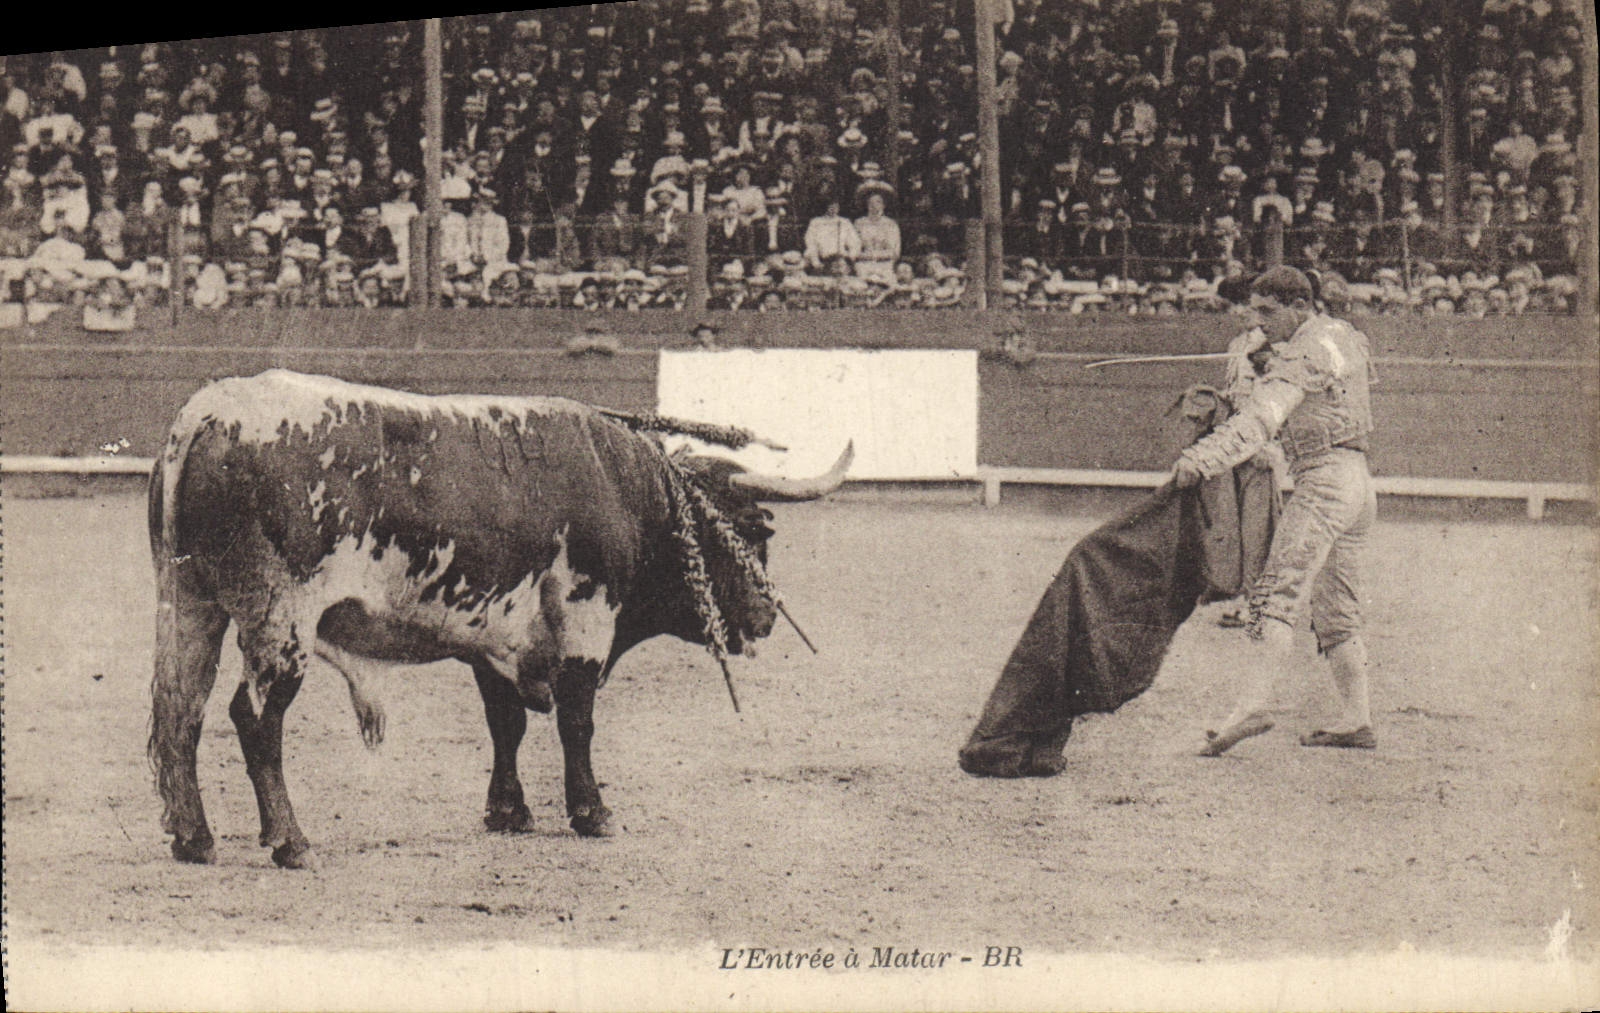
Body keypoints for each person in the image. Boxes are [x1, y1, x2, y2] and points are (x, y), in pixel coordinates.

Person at [1170, 265, 1377, 755]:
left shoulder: (1302, 351)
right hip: (1358, 484)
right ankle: (1356, 719)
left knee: (1270, 597)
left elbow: (1261, 421)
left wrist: (1200, 459)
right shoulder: (1344, 335)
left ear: (1300, 306)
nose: (1258, 322)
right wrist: (1269, 362)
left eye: (1268, 311)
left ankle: (1253, 706)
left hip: (1323, 483)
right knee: (1335, 610)